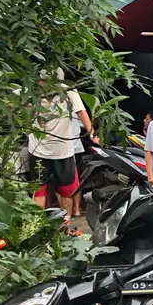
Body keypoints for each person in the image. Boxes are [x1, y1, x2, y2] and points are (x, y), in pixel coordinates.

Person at [28, 72, 93, 211]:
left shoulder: (69, 92)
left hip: (63, 151)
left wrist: (91, 132)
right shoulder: (30, 92)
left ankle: (66, 225)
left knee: (66, 191)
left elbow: (81, 111)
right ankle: (39, 228)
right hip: (38, 150)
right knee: (39, 190)